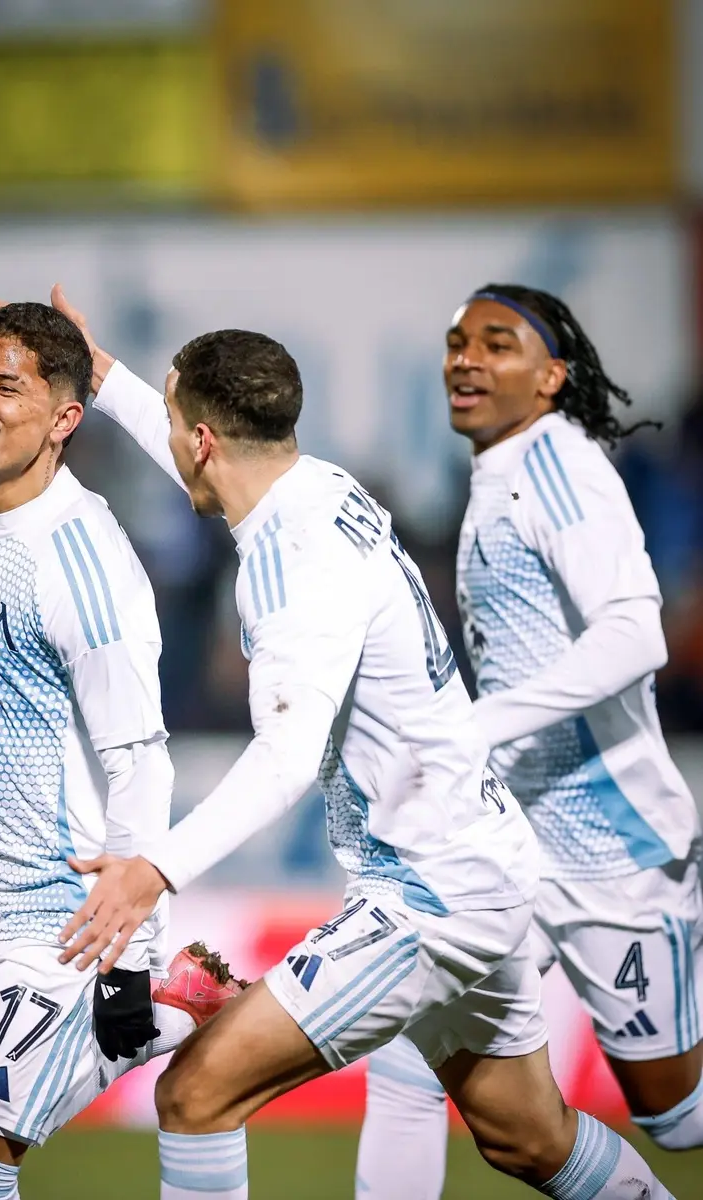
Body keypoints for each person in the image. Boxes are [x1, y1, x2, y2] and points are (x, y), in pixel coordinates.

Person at [0, 285, 674, 1199]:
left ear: (204, 441)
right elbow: (197, 448)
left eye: (179, 428)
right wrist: (101, 376)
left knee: (195, 1093)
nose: (174, 443)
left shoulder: (288, 570)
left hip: (431, 892)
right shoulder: (319, 486)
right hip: (485, 859)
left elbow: (285, 759)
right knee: (527, 1138)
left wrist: (154, 869)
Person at [0, 302, 244, 1200]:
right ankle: (168, 1012)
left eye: (8, 388)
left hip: (65, 927)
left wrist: (129, 956)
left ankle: (158, 1009)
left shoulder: (85, 561)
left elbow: (142, 762)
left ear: (65, 419)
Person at [356, 285, 703, 1199]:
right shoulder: (500, 472)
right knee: (410, 1050)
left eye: (497, 343)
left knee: (678, 1117)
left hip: (610, 849)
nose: (465, 358)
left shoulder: (558, 466)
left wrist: (474, 728)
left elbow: (635, 635)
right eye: (456, 341)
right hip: (511, 845)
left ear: (551, 376)